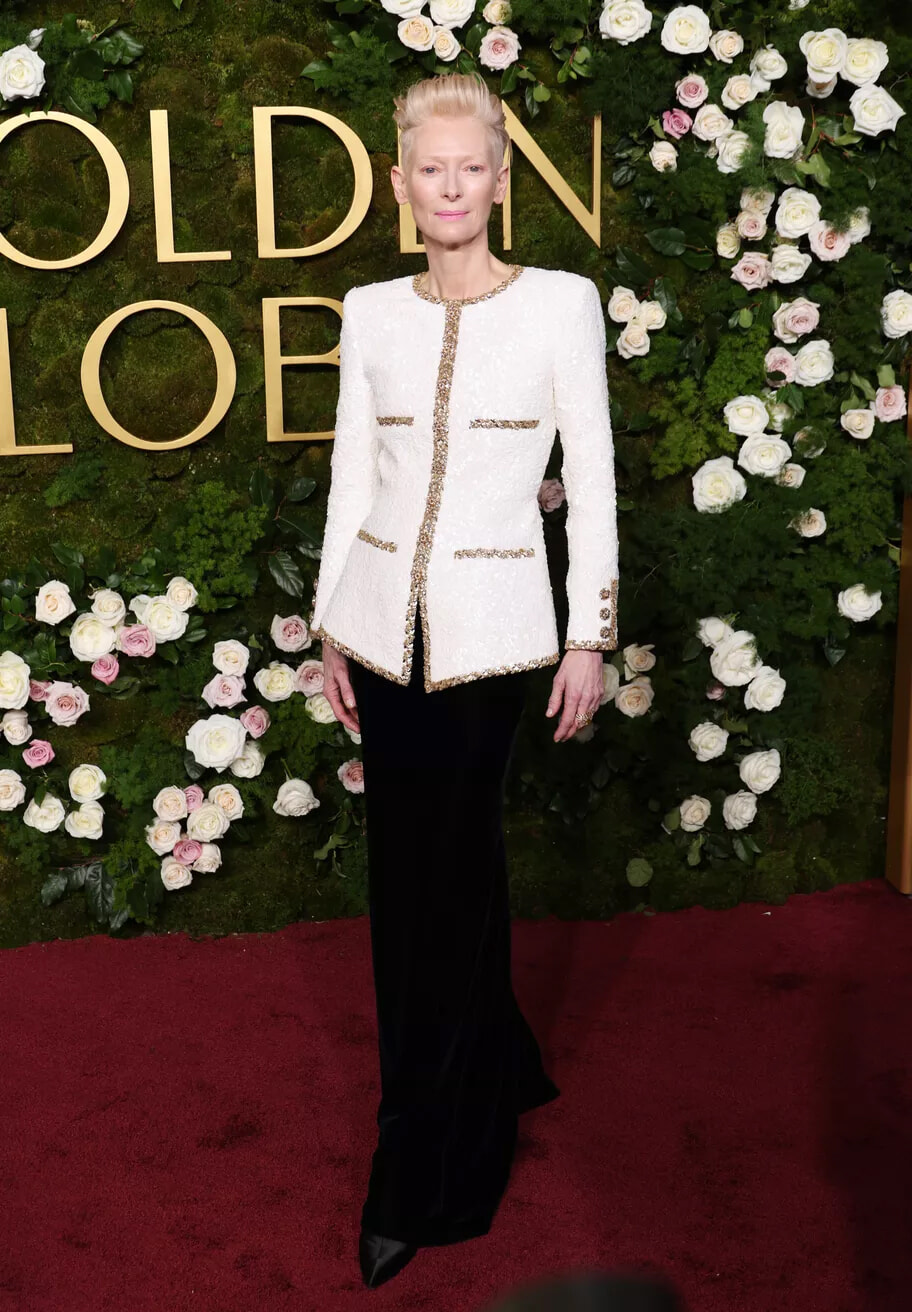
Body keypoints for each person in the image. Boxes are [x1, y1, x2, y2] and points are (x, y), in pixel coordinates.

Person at [307, 72, 619, 1289]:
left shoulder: (561, 305)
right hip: (383, 631)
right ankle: (496, 1061)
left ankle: (428, 1167)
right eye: (429, 169)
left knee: (445, 881)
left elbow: (592, 473)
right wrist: (332, 627)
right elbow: (352, 476)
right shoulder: (371, 310)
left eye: (470, 168)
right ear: (400, 183)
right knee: (418, 881)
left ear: (500, 179)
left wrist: (589, 635)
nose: (450, 187)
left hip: (496, 639)